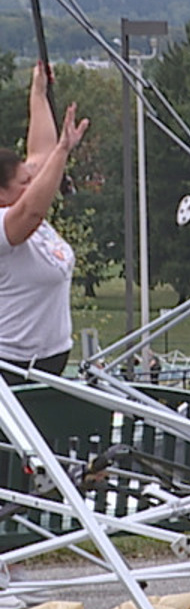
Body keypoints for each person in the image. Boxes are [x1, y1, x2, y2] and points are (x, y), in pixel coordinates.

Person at [0, 62, 88, 386]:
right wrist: (65, 150)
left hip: (50, 363)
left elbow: (41, 152)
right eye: (23, 184)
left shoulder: (21, 199)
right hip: (10, 369)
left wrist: (37, 91)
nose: (33, 185)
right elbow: (32, 212)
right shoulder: (6, 226)